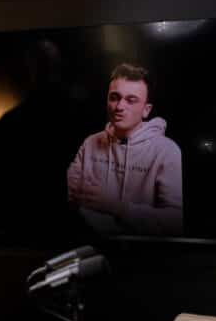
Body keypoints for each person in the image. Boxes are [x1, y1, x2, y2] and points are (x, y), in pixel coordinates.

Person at [67, 63, 183, 236]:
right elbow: (70, 198)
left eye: (131, 100)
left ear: (146, 110)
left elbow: (174, 223)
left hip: (143, 255)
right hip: (90, 246)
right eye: (114, 97)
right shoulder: (91, 142)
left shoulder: (167, 151)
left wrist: (115, 206)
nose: (119, 106)